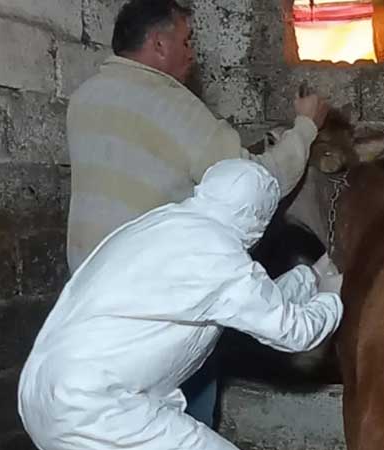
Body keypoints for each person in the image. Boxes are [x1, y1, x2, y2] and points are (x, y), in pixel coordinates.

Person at [65, 0, 329, 426]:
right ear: (157, 43)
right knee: (184, 415)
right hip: (163, 307)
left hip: (89, 297)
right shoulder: (174, 105)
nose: (192, 54)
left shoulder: (84, 99)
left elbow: (150, 158)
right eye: (186, 41)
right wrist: (306, 128)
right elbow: (258, 182)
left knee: (115, 424)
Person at [18, 158, 344, 450]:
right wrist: (334, 296)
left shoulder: (164, 223)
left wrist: (312, 276)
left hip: (41, 392)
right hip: (96, 407)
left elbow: (252, 303)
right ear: (257, 219)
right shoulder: (218, 254)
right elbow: (293, 332)